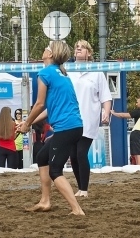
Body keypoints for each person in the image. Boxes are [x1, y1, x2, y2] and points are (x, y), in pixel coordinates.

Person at [18, 41, 84, 215]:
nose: (44, 49)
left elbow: (39, 104)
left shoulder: (45, 73)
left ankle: (76, 209)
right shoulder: (62, 74)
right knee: (42, 157)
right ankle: (45, 201)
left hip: (66, 128)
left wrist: (26, 124)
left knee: (55, 170)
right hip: (74, 126)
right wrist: (28, 123)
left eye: (46, 48)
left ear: (50, 55)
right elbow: (49, 109)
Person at [68, 40, 112, 197]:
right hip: (71, 119)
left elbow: (105, 97)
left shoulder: (96, 71)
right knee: (73, 155)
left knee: (81, 153)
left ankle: (84, 189)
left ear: (89, 52)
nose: (78, 49)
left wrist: (106, 112)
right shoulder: (68, 70)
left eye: (82, 47)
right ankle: (80, 187)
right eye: (76, 47)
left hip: (88, 119)